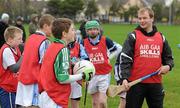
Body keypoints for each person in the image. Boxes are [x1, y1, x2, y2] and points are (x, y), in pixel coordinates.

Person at [121, 7, 174, 108]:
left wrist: (167, 66)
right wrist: (124, 78)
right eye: (139, 18)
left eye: (144, 18)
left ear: (152, 18)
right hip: (135, 84)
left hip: (155, 84)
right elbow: (125, 59)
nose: (141, 21)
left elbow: (169, 58)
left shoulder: (161, 37)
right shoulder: (133, 36)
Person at [38, 18, 93, 108]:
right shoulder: (63, 49)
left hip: (46, 94)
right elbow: (63, 79)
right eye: (72, 29)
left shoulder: (52, 46)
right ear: (64, 34)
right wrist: (82, 75)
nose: (75, 32)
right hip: (55, 97)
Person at [15, 14, 55, 107]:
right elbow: (46, 66)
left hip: (23, 80)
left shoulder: (30, 38)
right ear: (45, 26)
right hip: (34, 82)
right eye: (52, 27)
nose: (53, 30)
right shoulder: (45, 41)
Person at [83, 20, 122, 108]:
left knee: (102, 102)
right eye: (90, 29)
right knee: (95, 103)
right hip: (91, 75)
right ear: (87, 31)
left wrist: (109, 57)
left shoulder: (105, 40)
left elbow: (117, 49)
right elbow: (81, 58)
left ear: (98, 30)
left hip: (104, 74)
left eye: (95, 29)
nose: (92, 31)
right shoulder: (83, 43)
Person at [0, 26, 23, 108]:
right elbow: (14, 69)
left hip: (14, 87)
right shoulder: (6, 50)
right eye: (19, 39)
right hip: (7, 89)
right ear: (10, 39)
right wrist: (24, 56)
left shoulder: (15, 47)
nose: (21, 41)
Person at [68, 30, 89, 108]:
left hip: (76, 79)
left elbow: (86, 61)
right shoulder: (61, 46)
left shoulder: (79, 46)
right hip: (63, 78)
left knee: (75, 103)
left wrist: (77, 62)